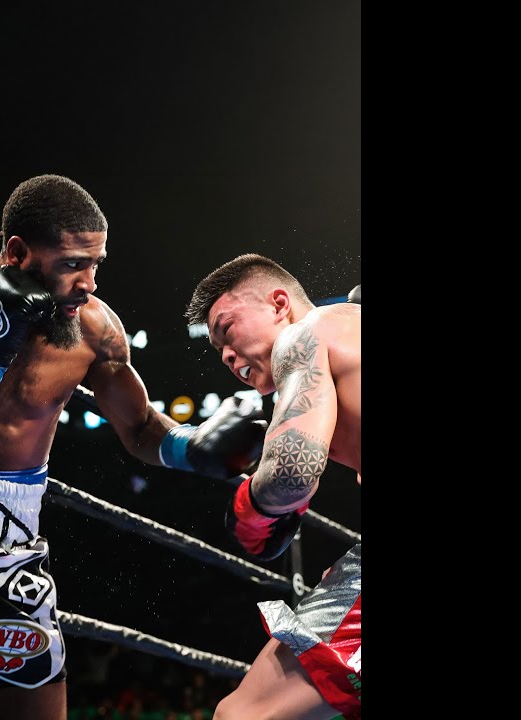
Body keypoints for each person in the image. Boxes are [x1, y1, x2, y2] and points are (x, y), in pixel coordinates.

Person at [0, 175, 267, 720]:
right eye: (73, 264)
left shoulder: (95, 330)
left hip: (10, 541)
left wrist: (194, 449)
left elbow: (141, 429)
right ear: (18, 252)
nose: (89, 283)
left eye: (96, 263)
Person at [183, 253, 361, 720]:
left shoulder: (304, 335)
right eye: (217, 348)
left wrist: (251, 507)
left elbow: (292, 473)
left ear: (280, 304)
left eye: (227, 329)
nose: (226, 354)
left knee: (240, 715)